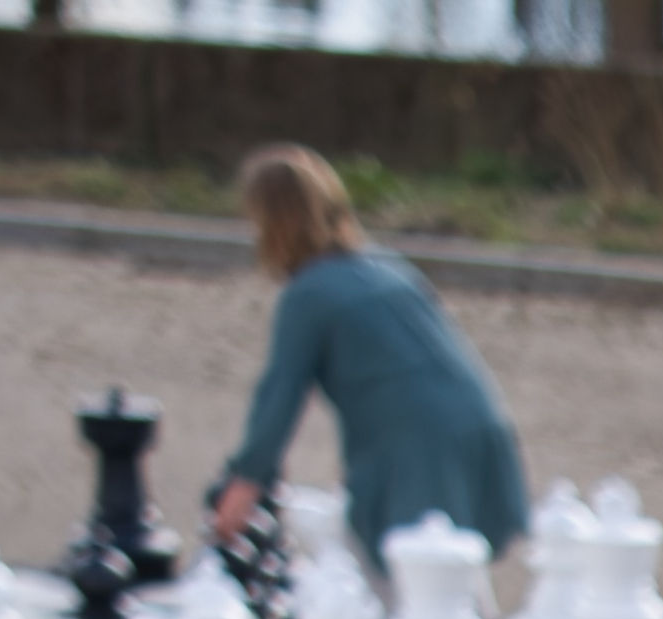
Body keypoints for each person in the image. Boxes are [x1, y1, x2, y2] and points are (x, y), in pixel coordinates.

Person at [201, 144, 533, 566]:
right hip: (480, 427)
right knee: (449, 589)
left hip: (418, 451)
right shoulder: (387, 268)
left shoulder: (308, 295)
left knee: (405, 595)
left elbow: (279, 397)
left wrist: (245, 481)